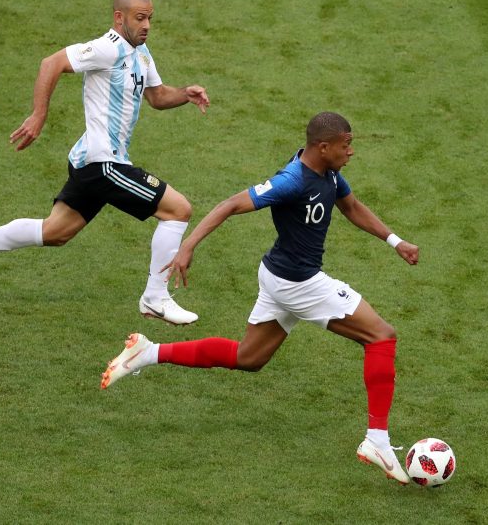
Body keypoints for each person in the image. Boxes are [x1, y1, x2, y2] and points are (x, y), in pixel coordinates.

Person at [100, 112, 418, 485]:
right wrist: (187, 246)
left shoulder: (328, 172)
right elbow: (231, 204)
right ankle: (376, 440)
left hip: (278, 275)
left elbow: (351, 207)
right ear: (324, 146)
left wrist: (395, 242)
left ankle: (147, 352)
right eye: (346, 144)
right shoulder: (292, 181)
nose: (351, 151)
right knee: (381, 336)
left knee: (247, 358)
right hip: (299, 283)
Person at [0, 0, 211, 324]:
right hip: (102, 163)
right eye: (140, 17)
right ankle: (155, 297)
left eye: (150, 17)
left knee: (56, 232)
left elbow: (156, 96)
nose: (147, 24)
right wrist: (38, 115)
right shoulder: (107, 49)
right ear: (119, 18)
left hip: (92, 161)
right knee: (178, 210)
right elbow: (52, 63)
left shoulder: (142, 53)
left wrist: (185, 94)